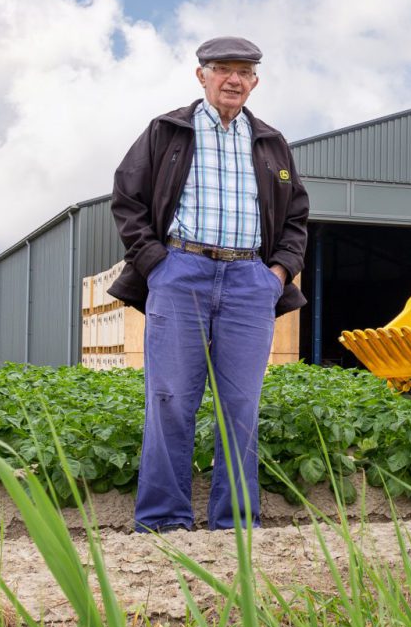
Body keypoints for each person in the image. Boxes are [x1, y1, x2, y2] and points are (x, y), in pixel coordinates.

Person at [109, 36, 310, 532]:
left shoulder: (271, 142)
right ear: (201, 75)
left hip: (249, 282)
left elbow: (297, 218)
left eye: (244, 72)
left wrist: (276, 275)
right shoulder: (167, 131)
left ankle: (236, 524)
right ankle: (162, 521)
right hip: (182, 274)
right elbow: (127, 198)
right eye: (223, 69)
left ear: (255, 81)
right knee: (171, 399)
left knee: (241, 405)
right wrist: (157, 264)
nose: (234, 80)